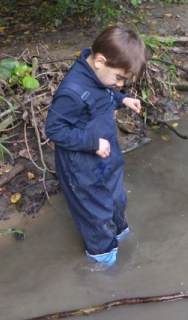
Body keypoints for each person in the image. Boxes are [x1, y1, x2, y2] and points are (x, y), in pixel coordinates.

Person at [45, 25, 146, 265]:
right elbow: (55, 130)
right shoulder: (72, 92)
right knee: (96, 214)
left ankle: (121, 236)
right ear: (100, 61)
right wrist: (92, 143)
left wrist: (123, 100)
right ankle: (104, 261)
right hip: (81, 166)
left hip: (106, 155)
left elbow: (106, 96)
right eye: (120, 77)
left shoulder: (101, 78)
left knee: (117, 199)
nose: (120, 84)